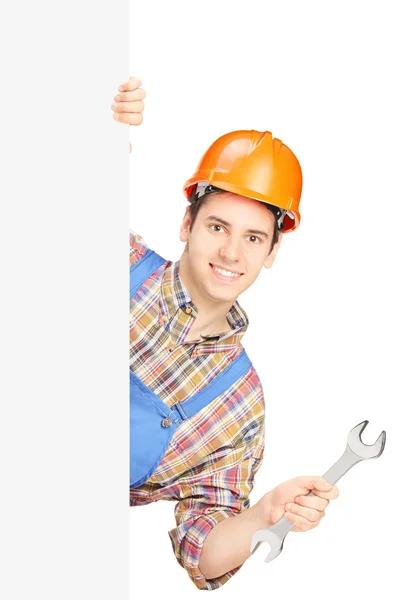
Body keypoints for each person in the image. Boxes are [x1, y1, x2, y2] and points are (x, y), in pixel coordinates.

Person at [114, 76, 339, 591]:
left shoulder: (238, 405)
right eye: (217, 227)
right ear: (187, 223)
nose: (231, 254)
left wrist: (262, 515)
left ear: (272, 253)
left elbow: (202, 550)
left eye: (253, 237)